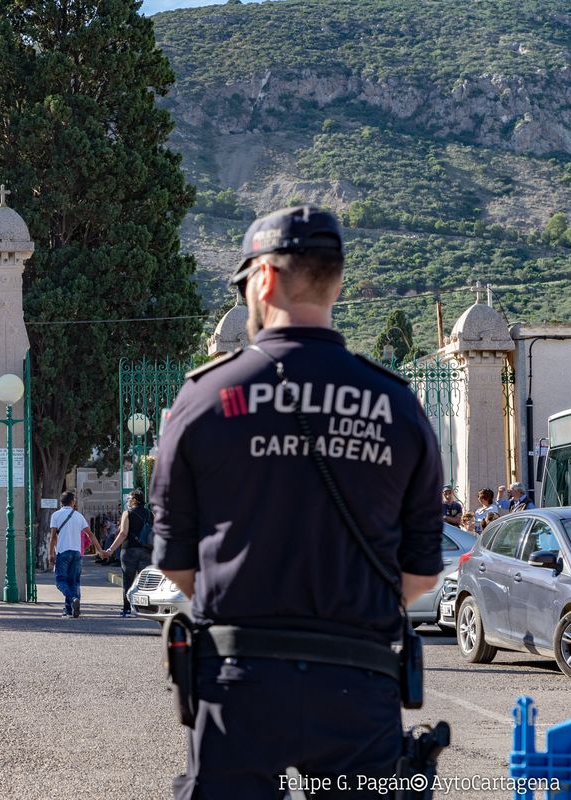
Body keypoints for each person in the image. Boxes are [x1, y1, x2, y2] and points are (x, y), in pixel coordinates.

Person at [149, 206, 443, 797]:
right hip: (360, 686)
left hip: (237, 687)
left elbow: (177, 566)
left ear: (264, 279)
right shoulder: (396, 404)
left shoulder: (205, 399)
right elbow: (419, 576)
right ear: (334, 281)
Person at [48, 492, 100, 618]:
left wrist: (50, 553)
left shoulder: (56, 515)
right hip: (77, 552)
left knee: (60, 580)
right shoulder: (79, 516)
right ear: (73, 502)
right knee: (74, 582)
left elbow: (53, 536)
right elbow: (90, 534)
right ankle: (70, 609)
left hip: (63, 551)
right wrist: (100, 549)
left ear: (61, 502)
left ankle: (72, 600)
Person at [103, 489, 154, 617]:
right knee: (144, 582)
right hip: (146, 551)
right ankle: (145, 609)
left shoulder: (127, 513)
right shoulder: (150, 514)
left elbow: (123, 533)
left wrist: (111, 549)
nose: (127, 501)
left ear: (135, 500)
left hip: (129, 550)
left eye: (129, 498)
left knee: (128, 580)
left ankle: (127, 609)